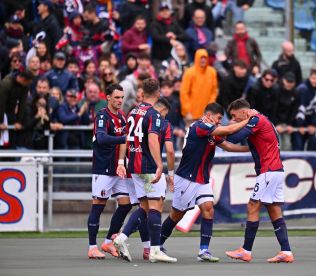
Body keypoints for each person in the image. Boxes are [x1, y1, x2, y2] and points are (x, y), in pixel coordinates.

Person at [159, 103, 257, 262]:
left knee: (208, 208)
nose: (219, 122)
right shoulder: (200, 125)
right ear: (210, 115)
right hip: (187, 178)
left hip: (202, 178)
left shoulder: (211, 129)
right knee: (177, 214)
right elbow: (228, 130)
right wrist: (250, 120)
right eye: (218, 118)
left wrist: (252, 150)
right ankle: (157, 244)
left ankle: (204, 250)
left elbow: (228, 146)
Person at [225, 99, 294, 263]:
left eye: (234, 116)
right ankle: (286, 252)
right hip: (275, 170)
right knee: (273, 209)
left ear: (243, 112)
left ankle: (246, 250)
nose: (234, 120)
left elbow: (233, 138)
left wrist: (224, 128)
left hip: (269, 171)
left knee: (252, 205)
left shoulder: (256, 120)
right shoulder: (260, 119)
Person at [116, 78, 177, 263]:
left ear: (142, 93)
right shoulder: (154, 115)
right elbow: (152, 140)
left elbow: (125, 138)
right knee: (156, 206)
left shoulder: (133, 111)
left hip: (133, 165)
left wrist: (121, 161)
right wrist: (160, 165)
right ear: (158, 93)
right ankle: (155, 250)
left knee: (143, 206)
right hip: (148, 166)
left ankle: (122, 237)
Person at [87, 83, 132, 259]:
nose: (120, 100)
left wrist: (122, 162)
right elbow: (101, 137)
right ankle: (92, 247)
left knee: (126, 204)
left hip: (117, 168)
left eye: (122, 97)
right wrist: (124, 137)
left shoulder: (122, 116)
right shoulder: (102, 116)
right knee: (98, 206)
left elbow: (123, 143)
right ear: (108, 98)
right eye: (117, 97)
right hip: (103, 168)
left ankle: (107, 243)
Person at [180, 49, 218, 125]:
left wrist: (210, 109)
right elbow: (184, 93)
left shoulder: (212, 72)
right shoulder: (189, 73)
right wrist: (187, 111)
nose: (203, 60)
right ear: (196, 58)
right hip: (191, 115)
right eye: (201, 58)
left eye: (205, 58)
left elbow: (214, 91)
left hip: (207, 115)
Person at [0, 70, 35, 149]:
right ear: (23, 79)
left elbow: (22, 104)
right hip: (2, 112)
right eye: (28, 82)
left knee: (11, 142)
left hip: (11, 113)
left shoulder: (25, 86)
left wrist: (18, 121)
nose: (29, 84)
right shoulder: (6, 84)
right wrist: (0, 121)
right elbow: (1, 103)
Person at [292, 66, 316, 151]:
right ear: (309, 77)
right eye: (313, 78)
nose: (315, 81)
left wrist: (313, 124)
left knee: (313, 145)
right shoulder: (302, 89)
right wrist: (300, 125)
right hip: (299, 122)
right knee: (298, 148)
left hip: (311, 123)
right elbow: (299, 107)